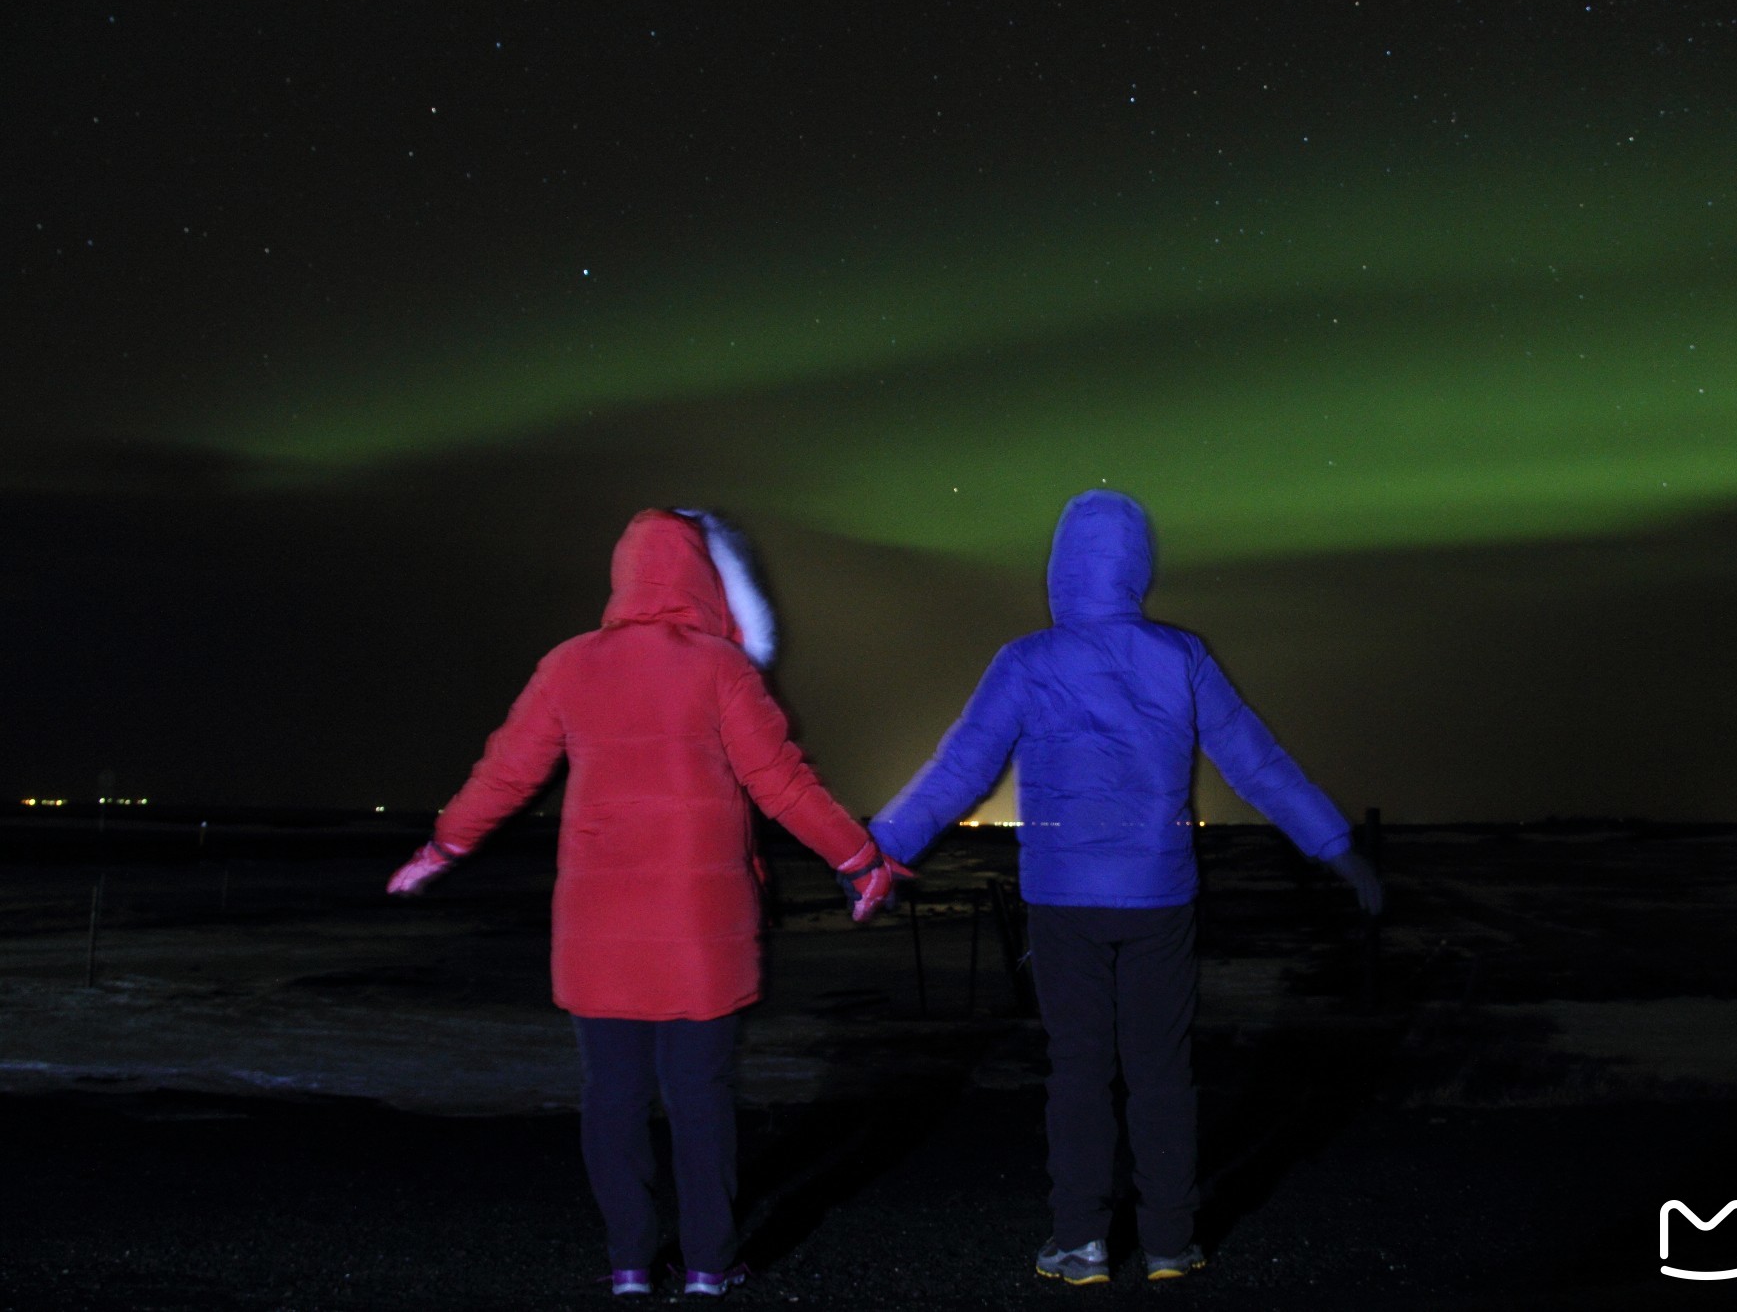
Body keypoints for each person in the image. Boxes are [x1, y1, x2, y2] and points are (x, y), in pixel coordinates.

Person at [385, 508, 911, 1299]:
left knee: (613, 1096)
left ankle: (631, 1263)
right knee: (700, 1097)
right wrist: (858, 858)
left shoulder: (568, 664)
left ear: (622, 575)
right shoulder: (722, 667)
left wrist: (444, 846)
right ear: (700, 578)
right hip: (702, 929)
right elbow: (782, 782)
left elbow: (506, 772)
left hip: (598, 927)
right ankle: (707, 1264)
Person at [870, 489, 1381, 1286]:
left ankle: (1081, 1242)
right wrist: (1334, 844)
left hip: (1064, 897)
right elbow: (1256, 761)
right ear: (1138, 566)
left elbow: (960, 770)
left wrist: (878, 850)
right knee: (1160, 1068)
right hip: (1159, 895)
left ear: (1060, 567)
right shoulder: (1181, 656)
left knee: (1078, 1067)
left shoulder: (1027, 660)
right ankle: (1171, 1240)